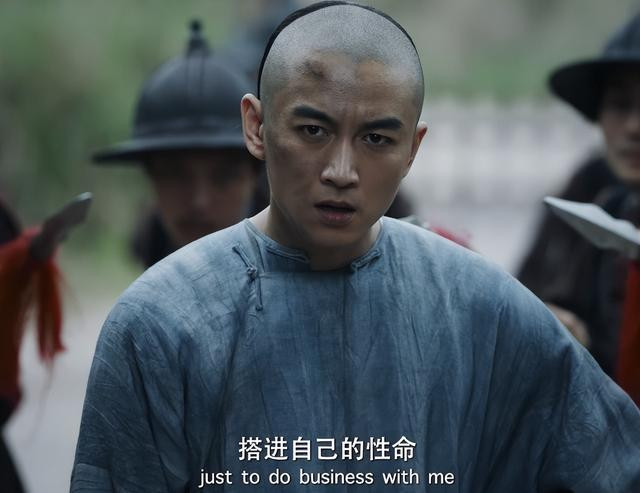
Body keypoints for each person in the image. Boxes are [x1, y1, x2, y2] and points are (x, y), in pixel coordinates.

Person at [72, 2, 640, 492]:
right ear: (256, 126)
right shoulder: (162, 323)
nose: (341, 171)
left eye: (376, 138)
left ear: (413, 148)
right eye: (313, 131)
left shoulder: (484, 309)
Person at [517, 12, 640, 386]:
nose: (634, 127)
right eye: (620, 104)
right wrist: (557, 326)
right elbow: (529, 293)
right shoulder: (594, 198)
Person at [92, 20, 265, 268]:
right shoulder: (148, 273)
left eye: (224, 177)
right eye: (175, 175)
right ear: (151, 177)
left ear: (255, 175)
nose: (199, 201)